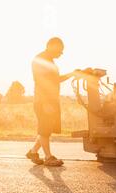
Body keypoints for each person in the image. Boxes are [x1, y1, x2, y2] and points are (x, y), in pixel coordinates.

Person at [26, 37, 76, 166]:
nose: (61, 53)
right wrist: (46, 102)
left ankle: (33, 152)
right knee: (44, 129)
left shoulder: (49, 61)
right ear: (51, 46)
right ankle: (48, 157)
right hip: (44, 100)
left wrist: (73, 74)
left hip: (50, 100)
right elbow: (41, 81)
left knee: (46, 129)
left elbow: (55, 80)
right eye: (60, 50)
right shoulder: (40, 60)